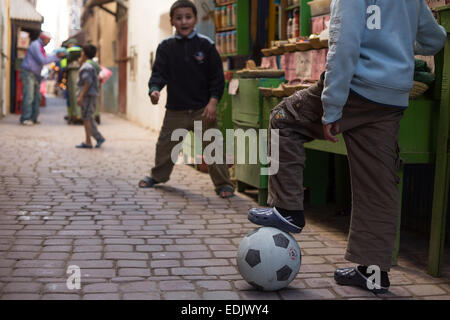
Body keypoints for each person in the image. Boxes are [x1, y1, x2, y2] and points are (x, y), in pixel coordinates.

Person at [248, 0, 447, 293]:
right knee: (379, 184)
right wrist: (396, 40)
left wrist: (331, 108)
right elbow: (435, 39)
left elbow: (344, 47)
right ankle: (373, 273)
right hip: (390, 98)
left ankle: (287, 208)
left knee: (283, 119)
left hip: (357, 86)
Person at [138, 0, 235, 199]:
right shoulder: (165, 47)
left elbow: (217, 78)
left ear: (195, 20)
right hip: (176, 109)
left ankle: (224, 184)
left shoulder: (206, 46)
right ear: (172, 21)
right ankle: (157, 176)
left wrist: (213, 102)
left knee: (213, 146)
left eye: (188, 17)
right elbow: (159, 74)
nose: (184, 22)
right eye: (179, 18)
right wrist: (154, 90)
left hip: (203, 109)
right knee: (165, 145)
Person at [20, 31, 65, 125]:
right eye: (48, 40)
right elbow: (43, 60)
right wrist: (56, 56)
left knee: (37, 97)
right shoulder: (35, 45)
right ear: (43, 38)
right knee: (29, 96)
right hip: (29, 73)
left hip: (35, 74)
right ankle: (25, 118)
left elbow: (44, 59)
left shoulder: (40, 48)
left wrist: (56, 57)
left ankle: (33, 118)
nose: (48, 42)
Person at [75, 44, 105, 149]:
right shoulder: (92, 65)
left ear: (84, 53)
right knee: (88, 117)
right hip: (91, 95)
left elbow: (87, 82)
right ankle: (98, 137)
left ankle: (88, 141)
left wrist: (81, 96)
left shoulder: (86, 66)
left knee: (86, 118)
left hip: (88, 95)